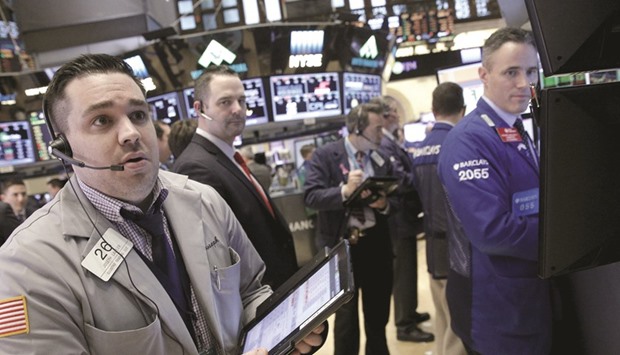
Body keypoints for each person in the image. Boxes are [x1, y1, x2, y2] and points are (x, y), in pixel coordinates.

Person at [0, 54, 325, 355]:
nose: (130, 133)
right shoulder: (28, 265)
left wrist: (286, 328)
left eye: (138, 115)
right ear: (63, 147)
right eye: (102, 120)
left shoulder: (203, 201)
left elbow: (251, 293)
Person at [437, 28, 549, 354]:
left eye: (530, 71)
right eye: (511, 72)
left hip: (525, 301)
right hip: (495, 311)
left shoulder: (514, 129)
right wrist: (563, 236)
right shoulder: (468, 141)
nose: (523, 83)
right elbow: (492, 231)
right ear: (484, 75)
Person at [172, 65, 298, 289]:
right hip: (260, 297)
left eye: (242, 100)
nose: (238, 109)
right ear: (199, 108)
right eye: (225, 102)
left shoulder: (226, 157)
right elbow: (220, 257)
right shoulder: (196, 166)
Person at [304, 103, 393, 355]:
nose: (381, 134)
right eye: (377, 129)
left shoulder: (381, 157)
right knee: (346, 320)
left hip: (377, 244)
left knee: (378, 315)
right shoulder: (325, 155)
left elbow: (398, 199)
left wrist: (384, 203)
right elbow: (311, 196)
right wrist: (344, 191)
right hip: (344, 246)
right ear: (357, 128)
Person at [412, 82, 467, 355]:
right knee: (459, 326)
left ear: (433, 110)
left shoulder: (420, 151)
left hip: (434, 251)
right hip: (460, 252)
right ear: (463, 109)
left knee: (442, 319)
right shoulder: (460, 145)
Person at [373, 95, 433, 343]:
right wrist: (420, 174)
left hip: (404, 218)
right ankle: (404, 325)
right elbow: (399, 180)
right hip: (398, 220)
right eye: (395, 113)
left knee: (408, 270)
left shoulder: (391, 144)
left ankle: (410, 311)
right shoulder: (384, 146)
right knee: (404, 271)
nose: (399, 117)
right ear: (386, 116)